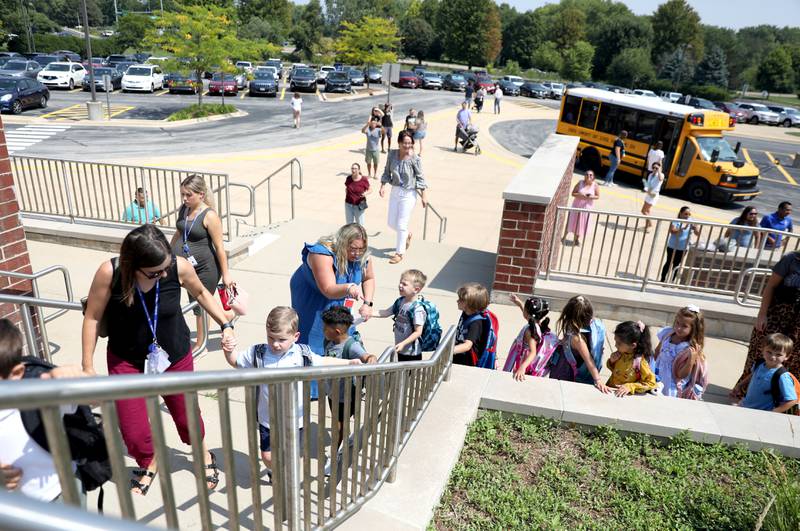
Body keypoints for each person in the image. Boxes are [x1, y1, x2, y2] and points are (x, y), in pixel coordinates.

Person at [81, 224, 237, 495]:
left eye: (166, 268)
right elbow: (92, 317)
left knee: (188, 417)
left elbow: (201, 293)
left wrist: (225, 324)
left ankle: (202, 453)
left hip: (173, 355)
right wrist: (87, 366)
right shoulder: (111, 272)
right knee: (132, 428)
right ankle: (148, 460)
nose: (164, 274)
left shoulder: (179, 267)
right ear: (133, 265)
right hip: (126, 359)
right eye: (156, 272)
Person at [224, 306, 357, 482]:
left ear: (295, 337)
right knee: (267, 456)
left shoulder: (302, 354)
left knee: (291, 456)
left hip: (295, 420)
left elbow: (323, 361)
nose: (275, 344)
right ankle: (274, 469)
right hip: (267, 418)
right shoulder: (258, 353)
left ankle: (287, 477)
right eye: (271, 338)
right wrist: (228, 349)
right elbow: (236, 361)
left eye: (281, 339)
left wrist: (348, 363)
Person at [0, 319, 90, 503]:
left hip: (60, 495)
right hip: (13, 509)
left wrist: (67, 379)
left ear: (16, 374)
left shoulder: (39, 397)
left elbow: (93, 397)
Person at [289, 223, 376, 360]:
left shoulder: (362, 256)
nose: (357, 253)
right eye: (353, 249)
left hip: (339, 305)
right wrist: (348, 288)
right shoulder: (322, 254)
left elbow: (369, 278)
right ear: (342, 243)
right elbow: (328, 289)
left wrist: (368, 303)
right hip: (314, 302)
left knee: (342, 340)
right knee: (314, 346)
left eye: (361, 249)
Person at [170, 174, 235, 352]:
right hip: (186, 267)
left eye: (188, 195)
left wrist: (227, 274)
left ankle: (201, 344)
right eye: (182, 194)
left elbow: (220, 248)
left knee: (199, 305)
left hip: (206, 268)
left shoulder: (210, 216)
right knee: (198, 304)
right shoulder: (184, 209)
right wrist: (168, 251)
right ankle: (228, 316)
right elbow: (179, 232)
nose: (184, 199)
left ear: (200, 194)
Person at [731, 251, 800, 400]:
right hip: (779, 315)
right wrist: (762, 315)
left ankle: (787, 401)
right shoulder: (792, 259)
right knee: (763, 354)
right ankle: (747, 394)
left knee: (794, 362)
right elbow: (771, 286)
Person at [320, 306, 376, 475]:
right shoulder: (329, 341)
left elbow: (367, 356)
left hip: (347, 395)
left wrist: (372, 360)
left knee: (338, 425)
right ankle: (347, 434)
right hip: (333, 392)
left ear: (337, 331)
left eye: (325, 328)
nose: (323, 331)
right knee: (341, 422)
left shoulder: (351, 346)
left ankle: (334, 454)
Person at [379, 130, 429, 265]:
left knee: (401, 224)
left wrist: (424, 195)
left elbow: (420, 177)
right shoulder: (392, 154)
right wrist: (383, 185)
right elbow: (386, 171)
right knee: (391, 223)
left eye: (410, 143)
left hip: (408, 194)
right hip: (395, 191)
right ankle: (406, 235)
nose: (407, 146)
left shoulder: (415, 159)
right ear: (399, 143)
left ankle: (399, 253)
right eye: (405, 143)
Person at [550, 295, 611, 393]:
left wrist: (598, 380)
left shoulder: (578, 339)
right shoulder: (575, 329)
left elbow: (589, 361)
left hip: (569, 373)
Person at [652, 305, 708, 400]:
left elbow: (681, 375)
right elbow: (657, 353)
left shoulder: (690, 348)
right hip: (657, 376)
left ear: (693, 329)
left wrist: (691, 360)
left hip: (671, 384)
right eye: (677, 323)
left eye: (684, 326)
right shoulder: (667, 334)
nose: (678, 328)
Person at [735, 333, 798, 413]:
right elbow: (753, 375)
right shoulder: (759, 364)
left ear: (787, 357)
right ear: (763, 350)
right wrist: (740, 385)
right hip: (745, 405)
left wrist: (773, 412)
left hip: (760, 412)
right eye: (769, 352)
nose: (773, 357)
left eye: (778, 354)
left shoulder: (782, 376)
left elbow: (792, 400)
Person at [376, 269, 428, 361]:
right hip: (401, 348)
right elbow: (386, 312)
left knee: (409, 375)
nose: (400, 285)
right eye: (400, 283)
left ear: (416, 289)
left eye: (404, 284)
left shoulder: (417, 309)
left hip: (412, 352)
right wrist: (369, 313)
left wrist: (403, 343)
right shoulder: (401, 301)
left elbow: (418, 332)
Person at [503, 294, 555, 381]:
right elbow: (529, 314)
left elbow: (533, 352)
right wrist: (519, 303)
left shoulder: (530, 331)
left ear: (527, 313)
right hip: (520, 355)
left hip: (520, 359)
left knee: (509, 377)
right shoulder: (536, 323)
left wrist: (522, 367)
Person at [606, 321, 657, 397]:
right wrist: (611, 361)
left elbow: (651, 383)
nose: (615, 345)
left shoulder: (640, 362)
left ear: (633, 345)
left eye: (619, 343)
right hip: (611, 390)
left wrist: (631, 386)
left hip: (624, 397)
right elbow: (616, 371)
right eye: (615, 341)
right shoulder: (622, 352)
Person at [452, 282, 491, 367]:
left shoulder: (475, 323)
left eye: (461, 300)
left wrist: (449, 350)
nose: (457, 301)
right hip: (458, 355)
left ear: (470, 304)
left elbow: (467, 345)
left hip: (465, 362)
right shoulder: (466, 313)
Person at [660, 206, 700, 283]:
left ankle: (672, 281)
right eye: (685, 214)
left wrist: (695, 229)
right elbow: (672, 231)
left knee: (677, 265)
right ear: (681, 213)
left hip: (683, 248)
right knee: (669, 262)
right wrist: (682, 229)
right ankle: (662, 279)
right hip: (672, 246)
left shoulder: (691, 221)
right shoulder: (676, 221)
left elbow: (697, 233)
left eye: (689, 214)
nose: (687, 216)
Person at [563, 171, 600, 246]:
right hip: (576, 206)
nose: (588, 176)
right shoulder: (580, 183)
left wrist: (590, 196)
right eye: (587, 174)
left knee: (581, 224)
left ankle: (576, 240)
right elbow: (573, 193)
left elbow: (597, 196)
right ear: (584, 176)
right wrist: (580, 194)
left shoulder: (595, 185)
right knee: (571, 221)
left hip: (586, 208)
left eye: (591, 175)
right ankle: (563, 238)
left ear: (593, 177)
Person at [641, 162, 664, 233]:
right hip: (649, 193)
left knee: (643, 211)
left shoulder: (661, 175)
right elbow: (648, 184)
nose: (654, 169)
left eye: (656, 168)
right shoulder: (650, 175)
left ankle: (650, 224)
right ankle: (647, 226)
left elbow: (660, 179)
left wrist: (659, 171)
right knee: (647, 211)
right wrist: (645, 188)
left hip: (654, 195)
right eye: (653, 167)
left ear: (659, 168)